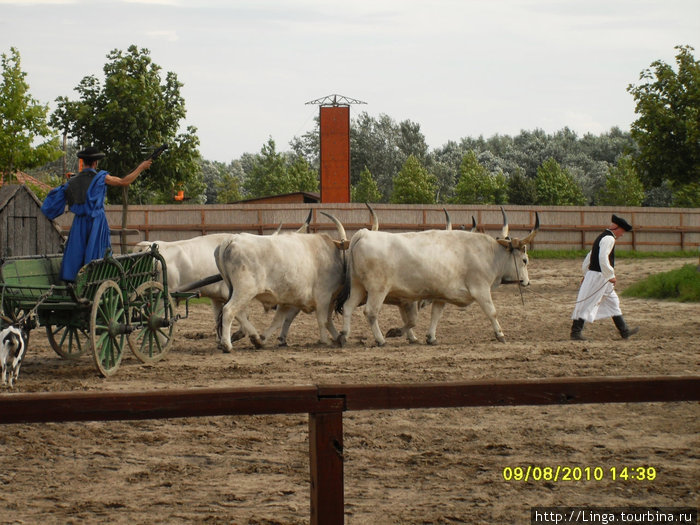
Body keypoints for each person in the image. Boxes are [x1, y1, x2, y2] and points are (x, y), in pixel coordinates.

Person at [41, 146, 152, 282]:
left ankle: (72, 282)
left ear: (84, 162)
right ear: (95, 163)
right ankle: (95, 282)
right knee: (97, 254)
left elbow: (52, 205)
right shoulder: (101, 178)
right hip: (96, 223)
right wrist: (141, 167)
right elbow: (125, 182)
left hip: (78, 224)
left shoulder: (71, 182)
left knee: (76, 254)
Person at [570, 214, 639, 341]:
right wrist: (610, 275)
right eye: (622, 232)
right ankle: (575, 332)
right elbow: (602, 258)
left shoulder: (603, 237)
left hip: (599, 276)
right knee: (587, 302)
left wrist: (586, 274)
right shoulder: (609, 239)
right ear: (617, 228)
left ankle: (624, 331)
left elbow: (589, 257)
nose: (622, 235)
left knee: (613, 302)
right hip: (599, 277)